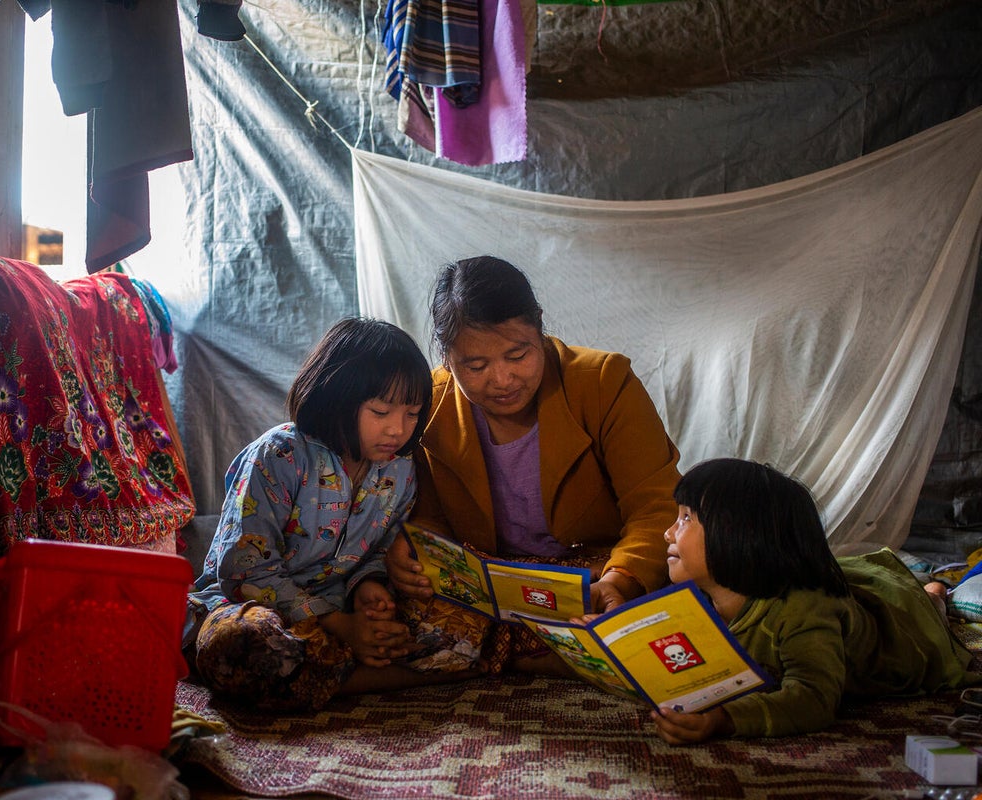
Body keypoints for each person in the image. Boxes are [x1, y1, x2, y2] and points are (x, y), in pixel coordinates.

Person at [386, 255, 683, 675]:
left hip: (594, 572)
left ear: (539, 327)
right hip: (492, 579)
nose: (502, 379)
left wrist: (621, 581)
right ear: (446, 356)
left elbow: (657, 504)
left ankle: (506, 656)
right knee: (393, 621)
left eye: (517, 354)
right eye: (476, 365)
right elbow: (430, 517)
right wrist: (412, 550)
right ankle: (545, 655)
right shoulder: (429, 407)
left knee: (688, 607)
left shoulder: (603, 382)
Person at [186, 317, 448, 711]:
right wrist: (337, 624)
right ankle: (362, 673)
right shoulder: (279, 456)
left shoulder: (400, 469)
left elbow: (383, 548)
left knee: (457, 626)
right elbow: (243, 570)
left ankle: (329, 675)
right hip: (250, 605)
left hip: (342, 610)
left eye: (412, 413)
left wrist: (368, 590)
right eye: (381, 411)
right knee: (240, 644)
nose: (399, 429)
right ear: (336, 398)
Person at [652, 457, 978, 743]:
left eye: (685, 519)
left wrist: (723, 719)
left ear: (738, 534)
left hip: (901, 628)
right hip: (854, 591)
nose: (668, 532)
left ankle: (936, 595)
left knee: (925, 611)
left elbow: (814, 697)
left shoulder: (801, 611)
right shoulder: (701, 599)